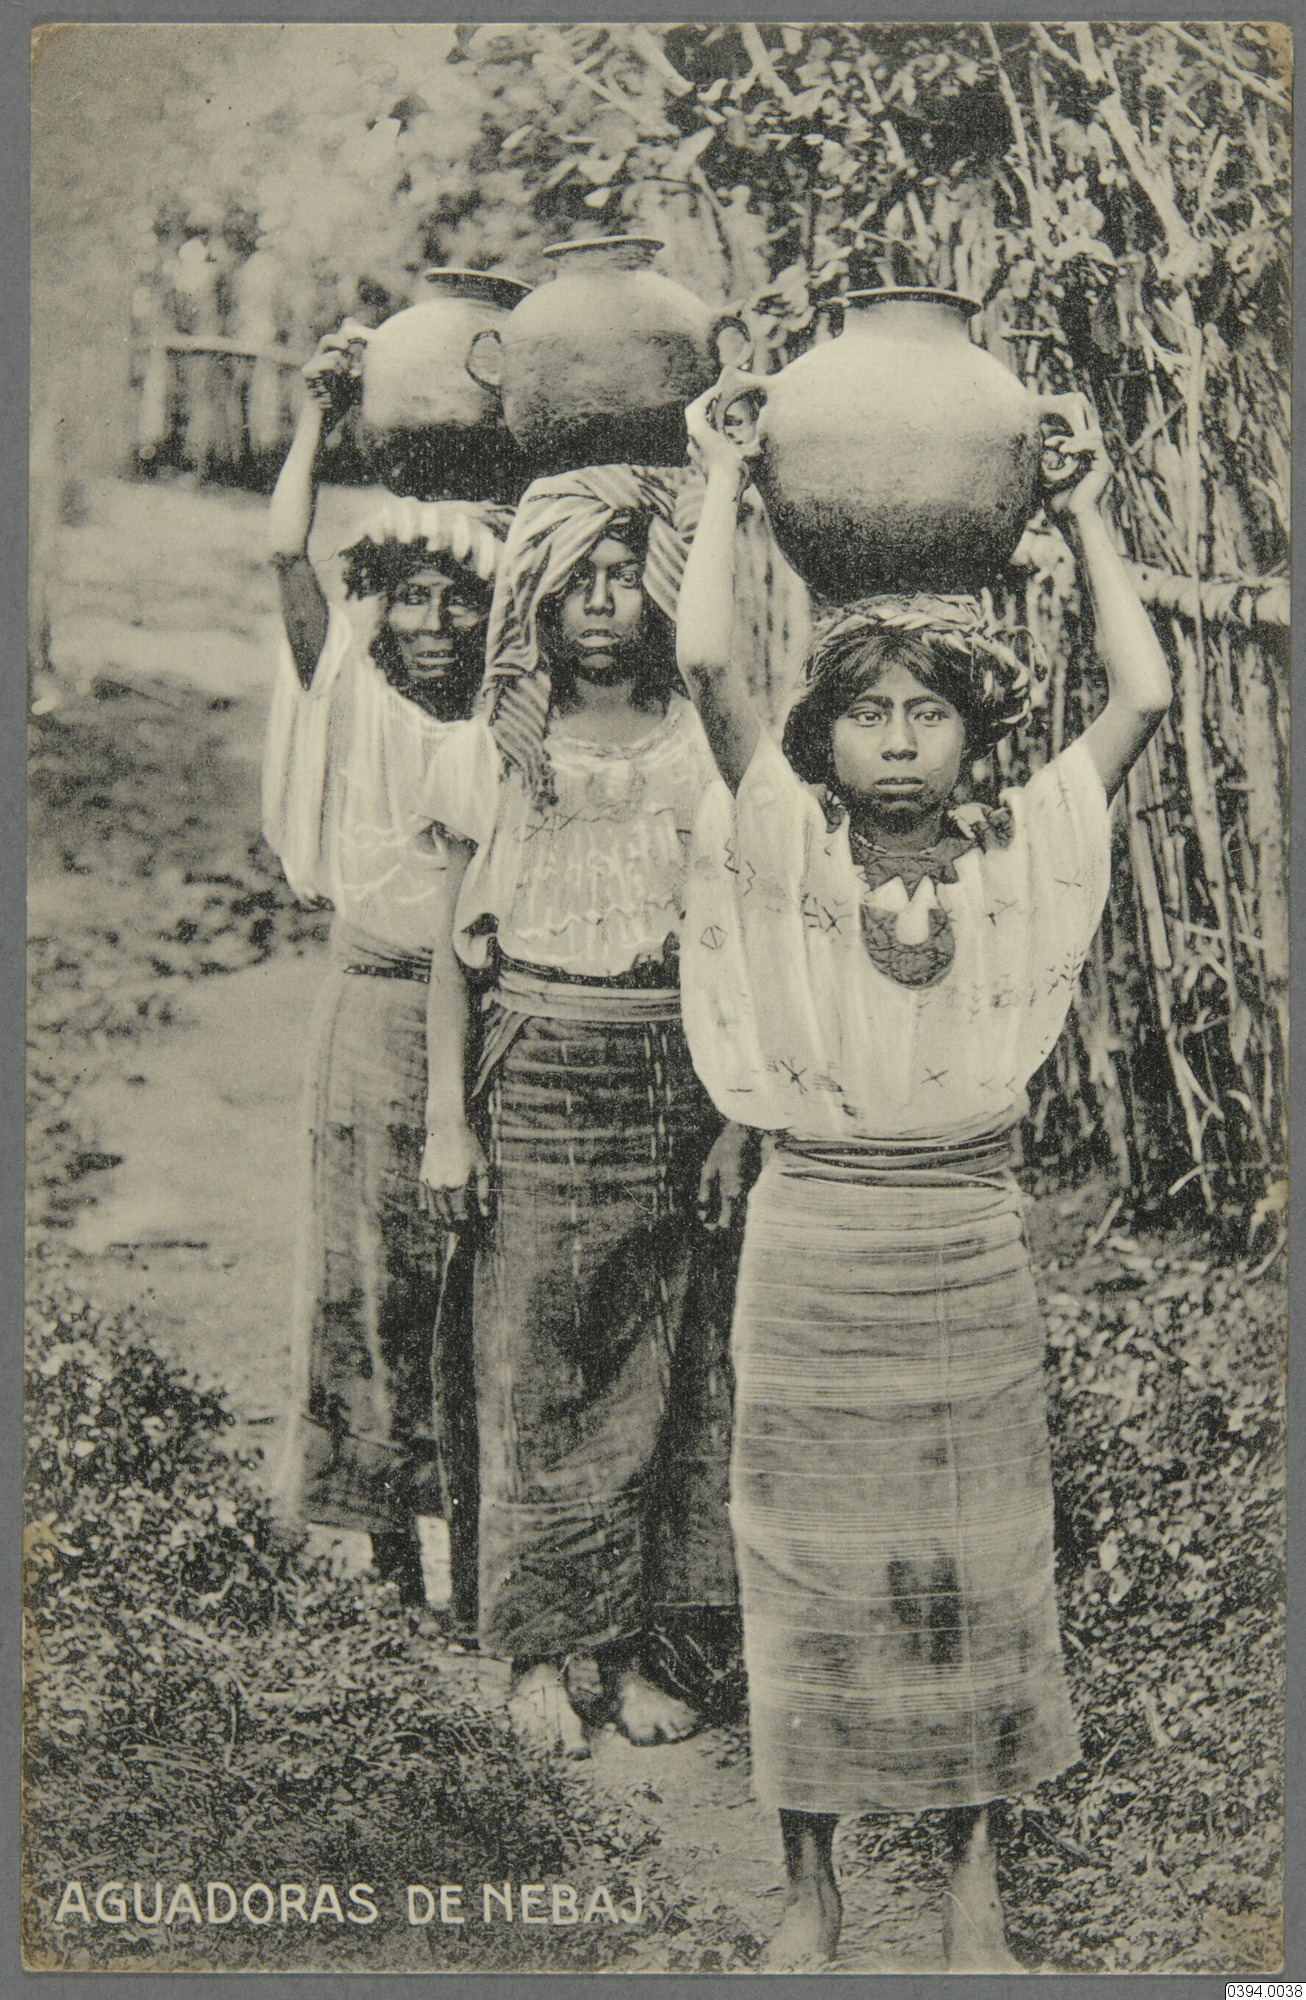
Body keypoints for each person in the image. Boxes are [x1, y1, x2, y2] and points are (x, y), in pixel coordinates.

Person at [674, 386, 1172, 1966]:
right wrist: (722, 478)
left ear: (975, 733)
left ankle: (971, 1883)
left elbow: (1146, 691)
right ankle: (806, 1885)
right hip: (814, 1235)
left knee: (976, 1558)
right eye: (868, 715)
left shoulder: (1021, 851)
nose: (897, 740)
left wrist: (1083, 510)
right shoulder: (787, 847)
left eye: (929, 714)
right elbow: (703, 659)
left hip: (962, 1237)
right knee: (800, 1552)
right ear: (820, 738)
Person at [416, 465, 747, 1757]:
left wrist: (738, 1118)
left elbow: (740, 943)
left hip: (674, 1070)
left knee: (668, 1365)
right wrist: (448, 1122)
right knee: (534, 1367)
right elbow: (453, 957)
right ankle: (539, 1652)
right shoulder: (492, 751)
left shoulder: (699, 750)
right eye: (575, 584)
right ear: (535, 603)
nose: (601, 604)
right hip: (538, 1071)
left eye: (622, 577)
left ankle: (634, 1647)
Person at [263, 325, 509, 1610]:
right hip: (373, 1009)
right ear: (380, 607)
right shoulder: (350, 692)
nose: (433, 622)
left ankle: (476, 1535)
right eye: (411, 597)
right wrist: (320, 416)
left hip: (491, 1021)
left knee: (474, 1278)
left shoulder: (508, 719)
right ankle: (384, 1543)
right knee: (371, 1265)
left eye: (458, 598)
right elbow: (283, 552)